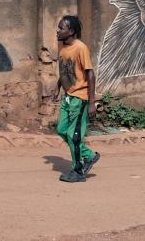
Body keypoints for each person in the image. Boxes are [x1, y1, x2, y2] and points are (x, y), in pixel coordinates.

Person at [52, 15, 100, 183]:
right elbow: (66, 71)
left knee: (74, 135)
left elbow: (90, 74)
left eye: (61, 28)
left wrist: (92, 102)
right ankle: (88, 155)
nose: (58, 30)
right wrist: (58, 87)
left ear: (71, 31)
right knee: (61, 130)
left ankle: (78, 171)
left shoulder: (81, 48)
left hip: (80, 98)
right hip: (68, 97)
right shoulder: (63, 48)